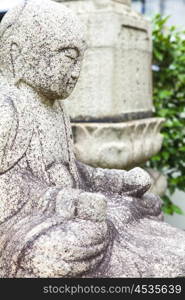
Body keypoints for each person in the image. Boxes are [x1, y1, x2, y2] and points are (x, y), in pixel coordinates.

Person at [0, 0, 184, 278]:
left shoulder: (56, 109)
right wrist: (66, 201)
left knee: (146, 203)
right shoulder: (8, 110)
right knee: (77, 241)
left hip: (74, 208)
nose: (75, 73)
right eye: (67, 58)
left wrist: (114, 180)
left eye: (79, 61)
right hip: (29, 222)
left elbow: (72, 168)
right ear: (18, 52)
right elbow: (7, 188)